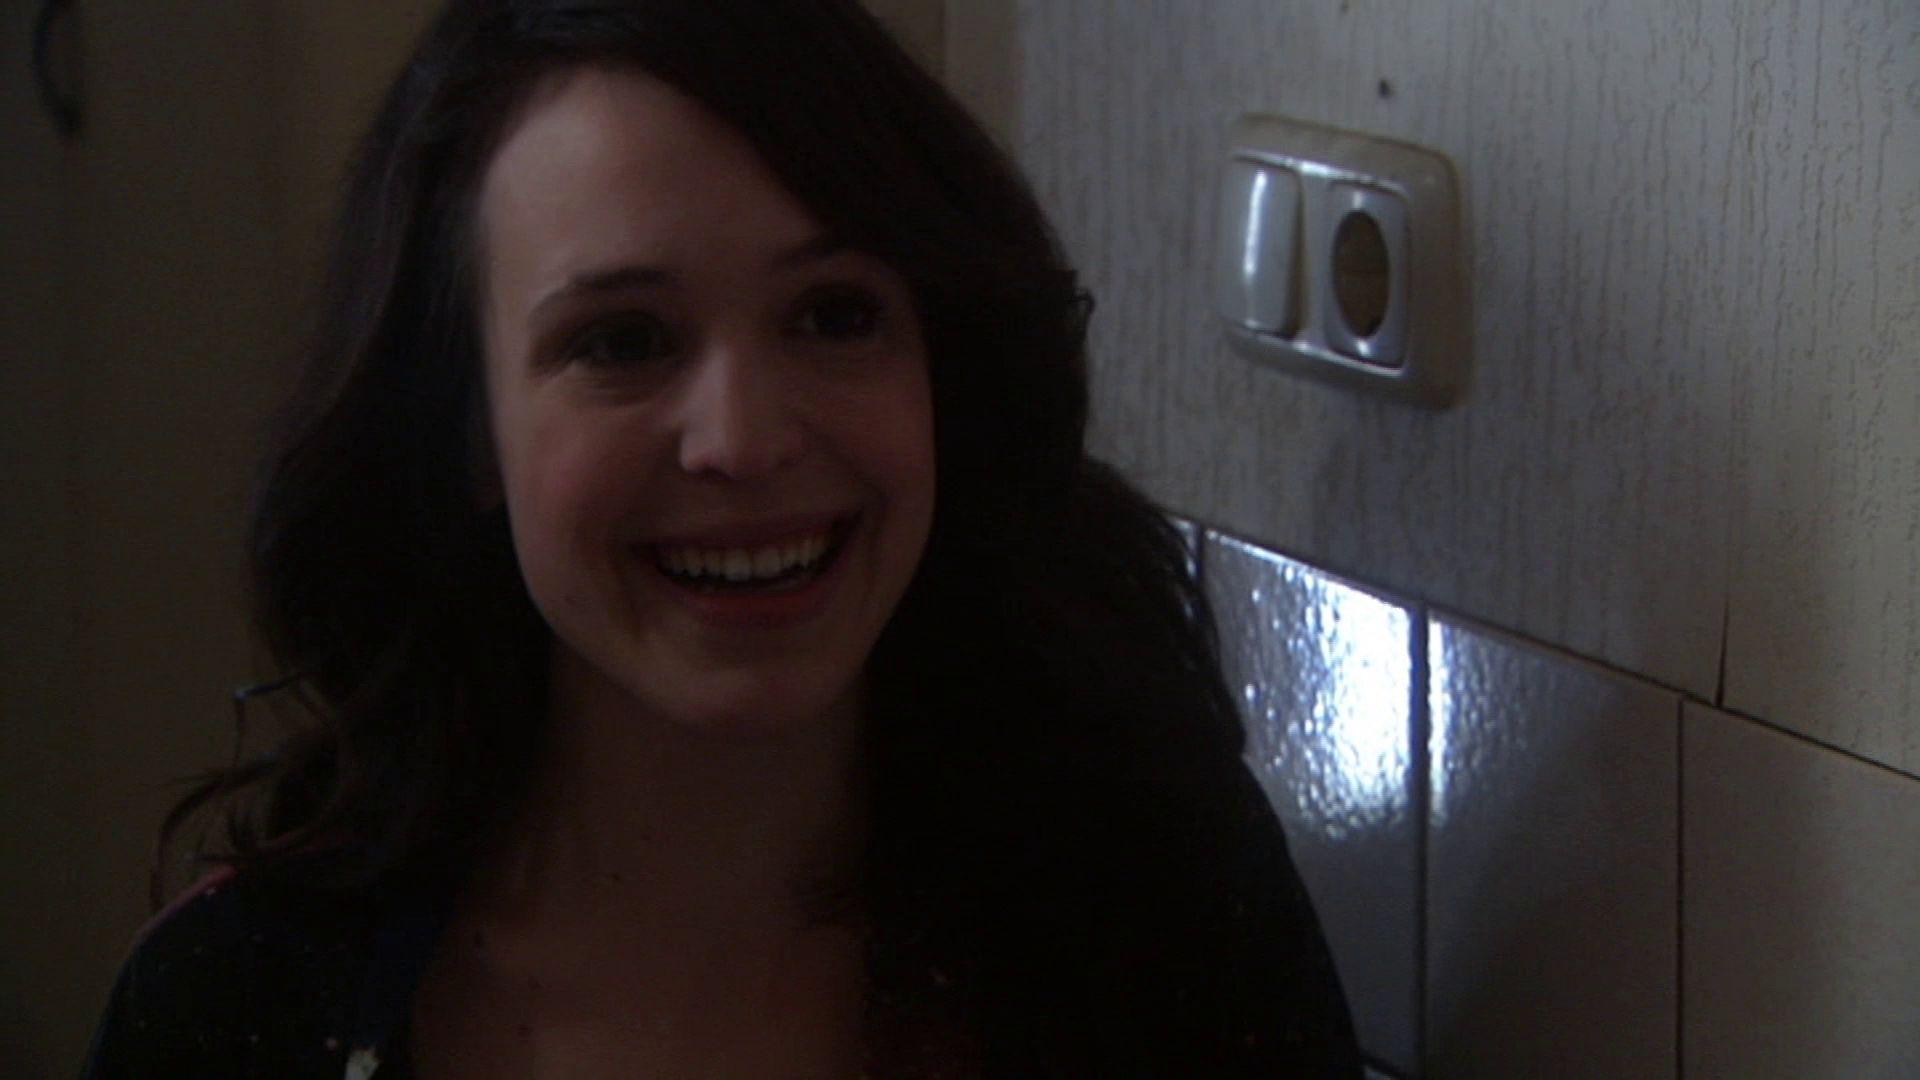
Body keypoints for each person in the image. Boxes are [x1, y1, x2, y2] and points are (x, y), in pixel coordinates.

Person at [82, 1, 1361, 1075]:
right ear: (466, 431)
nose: (743, 442)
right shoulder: (234, 1013)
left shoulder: (1160, 912)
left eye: (834, 316)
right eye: (624, 342)